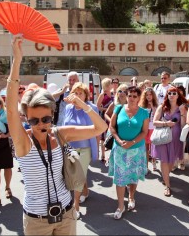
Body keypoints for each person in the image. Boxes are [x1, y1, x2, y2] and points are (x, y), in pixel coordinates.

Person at [6, 36, 107, 235]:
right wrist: (17, 61)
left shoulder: (60, 134)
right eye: (34, 121)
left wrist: (83, 105)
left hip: (66, 213)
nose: (41, 124)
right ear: (26, 118)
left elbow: (100, 128)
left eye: (45, 119)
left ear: (52, 115)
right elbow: (10, 110)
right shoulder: (23, 142)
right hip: (37, 220)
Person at [108, 86, 149, 220]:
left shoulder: (144, 113)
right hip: (119, 149)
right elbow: (112, 127)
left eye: (134, 96)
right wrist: (119, 140)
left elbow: (144, 132)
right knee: (120, 178)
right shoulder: (118, 109)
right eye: (129, 95)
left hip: (136, 149)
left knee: (133, 175)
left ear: (139, 98)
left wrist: (132, 142)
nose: (131, 98)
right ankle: (120, 206)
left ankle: (131, 196)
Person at [62, 82, 99, 220]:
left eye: (80, 93)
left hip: (85, 148)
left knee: (78, 175)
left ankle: (75, 206)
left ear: (86, 95)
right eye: (75, 93)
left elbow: (98, 128)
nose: (77, 96)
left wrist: (97, 148)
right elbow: (64, 127)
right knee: (76, 174)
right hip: (70, 147)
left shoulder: (91, 108)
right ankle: (85, 191)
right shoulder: (68, 108)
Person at [151, 87, 187, 196]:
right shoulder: (162, 107)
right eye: (169, 93)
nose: (171, 94)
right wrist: (166, 124)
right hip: (163, 138)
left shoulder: (181, 108)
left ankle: (166, 175)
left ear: (178, 95)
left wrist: (181, 113)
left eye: (174, 93)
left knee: (171, 161)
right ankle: (167, 185)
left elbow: (183, 125)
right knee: (164, 161)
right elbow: (154, 122)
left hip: (176, 139)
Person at [138, 87, 158, 173]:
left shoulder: (157, 105)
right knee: (146, 148)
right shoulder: (142, 106)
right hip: (145, 129)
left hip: (154, 129)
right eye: (147, 95)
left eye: (150, 95)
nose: (149, 96)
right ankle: (145, 167)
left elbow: (157, 115)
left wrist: (153, 106)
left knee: (153, 148)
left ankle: (154, 162)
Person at [96, 77, 114, 162]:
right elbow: (98, 106)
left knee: (111, 135)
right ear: (107, 84)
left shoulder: (113, 93)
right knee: (103, 136)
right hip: (104, 116)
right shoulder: (102, 94)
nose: (112, 84)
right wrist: (106, 109)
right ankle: (103, 155)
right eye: (111, 83)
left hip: (113, 116)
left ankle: (110, 155)